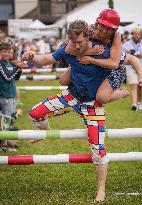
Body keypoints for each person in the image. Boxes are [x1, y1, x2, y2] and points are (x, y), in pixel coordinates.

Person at [22, 20, 114, 203]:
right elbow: (46, 59)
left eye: (80, 42)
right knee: (35, 113)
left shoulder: (104, 49)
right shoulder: (68, 47)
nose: (77, 46)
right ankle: (45, 132)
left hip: (93, 104)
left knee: (98, 150)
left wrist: (141, 77)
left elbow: (122, 58)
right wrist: (31, 57)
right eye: (74, 42)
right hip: (71, 96)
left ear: (89, 35)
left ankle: (101, 190)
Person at [62, 8, 130, 104]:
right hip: (93, 61)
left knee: (101, 98)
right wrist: (90, 52)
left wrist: (91, 60)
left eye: (109, 28)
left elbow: (114, 64)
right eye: (103, 26)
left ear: (115, 29)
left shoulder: (116, 36)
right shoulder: (88, 29)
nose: (105, 30)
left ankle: (122, 92)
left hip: (114, 70)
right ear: (98, 22)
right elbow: (68, 49)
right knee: (63, 80)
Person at [0, 42, 23, 151]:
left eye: (9, 51)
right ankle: (4, 146)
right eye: (4, 51)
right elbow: (8, 77)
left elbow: (16, 77)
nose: (7, 53)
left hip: (11, 96)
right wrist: (17, 67)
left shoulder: (10, 64)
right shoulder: (1, 64)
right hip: (4, 96)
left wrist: (20, 68)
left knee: (8, 122)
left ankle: (4, 144)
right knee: (6, 122)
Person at [123, 28, 142, 110]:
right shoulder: (126, 44)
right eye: (135, 34)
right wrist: (128, 54)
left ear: (141, 35)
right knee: (133, 84)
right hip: (130, 67)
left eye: (138, 34)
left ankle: (139, 102)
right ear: (132, 34)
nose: (136, 35)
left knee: (141, 86)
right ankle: (134, 104)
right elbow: (121, 55)